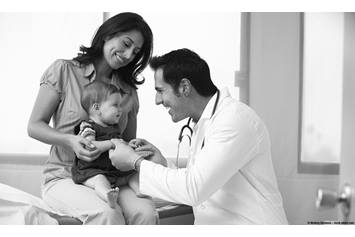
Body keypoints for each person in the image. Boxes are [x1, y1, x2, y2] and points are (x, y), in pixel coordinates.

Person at [108, 48, 289, 224]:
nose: (157, 100)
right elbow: (199, 180)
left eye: (161, 90)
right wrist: (162, 163)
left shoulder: (234, 120)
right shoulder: (204, 122)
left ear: (184, 87)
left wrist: (135, 162)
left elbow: (193, 189)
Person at [27, 12, 157, 224]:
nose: (127, 55)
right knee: (108, 212)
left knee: (146, 212)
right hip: (65, 176)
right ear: (107, 35)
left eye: (135, 52)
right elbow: (34, 126)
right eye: (126, 44)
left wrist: (138, 150)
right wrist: (70, 140)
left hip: (112, 178)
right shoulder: (63, 70)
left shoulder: (128, 91)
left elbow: (126, 143)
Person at [71, 81, 146, 209]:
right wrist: (111, 143)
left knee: (132, 174)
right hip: (91, 171)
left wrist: (129, 145)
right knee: (100, 180)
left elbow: (119, 146)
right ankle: (107, 195)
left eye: (120, 105)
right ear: (96, 108)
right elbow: (90, 146)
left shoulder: (114, 128)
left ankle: (140, 190)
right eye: (115, 105)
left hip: (112, 171)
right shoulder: (87, 127)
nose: (120, 109)